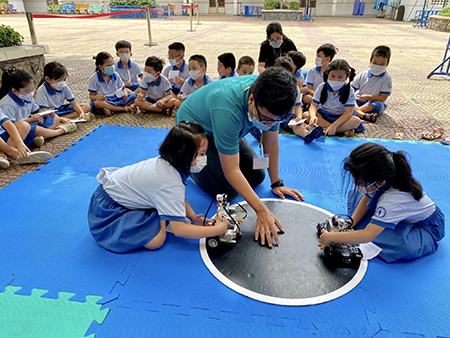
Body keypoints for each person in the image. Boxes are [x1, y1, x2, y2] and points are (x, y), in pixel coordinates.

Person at [176, 67, 304, 248]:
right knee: (225, 190)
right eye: (265, 119)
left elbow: (271, 143)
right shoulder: (228, 109)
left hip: (228, 129)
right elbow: (232, 170)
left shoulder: (271, 102)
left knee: (257, 175)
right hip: (196, 132)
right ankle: (191, 165)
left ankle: (218, 156)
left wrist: (276, 183)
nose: (269, 125)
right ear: (251, 100)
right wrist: (261, 210)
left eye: (275, 121)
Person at [88, 121, 228, 253]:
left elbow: (177, 196)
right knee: (157, 241)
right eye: (202, 154)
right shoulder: (169, 181)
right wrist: (218, 229)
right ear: (184, 155)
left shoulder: (168, 164)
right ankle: (161, 216)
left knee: (167, 209)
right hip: (109, 211)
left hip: (113, 195)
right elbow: (179, 230)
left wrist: (192, 216)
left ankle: (163, 214)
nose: (205, 158)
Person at [319, 143, 445, 263]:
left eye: (360, 181)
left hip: (426, 228)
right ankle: (370, 228)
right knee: (356, 194)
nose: (356, 184)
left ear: (378, 181)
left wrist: (331, 237)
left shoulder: (392, 200)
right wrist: (350, 223)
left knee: (401, 246)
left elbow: (368, 235)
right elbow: (367, 198)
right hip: (397, 213)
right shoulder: (383, 177)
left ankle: (408, 235)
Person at [0, 68, 77, 146]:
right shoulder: (7, 104)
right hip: (13, 133)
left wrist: (45, 114)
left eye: (32, 90)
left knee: (55, 118)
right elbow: (11, 127)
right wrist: (30, 120)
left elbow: (36, 111)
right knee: (34, 129)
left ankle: (36, 139)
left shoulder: (26, 97)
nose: (30, 94)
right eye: (27, 91)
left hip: (27, 125)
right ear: (14, 91)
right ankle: (60, 131)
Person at [295, 59, 363, 142]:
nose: (336, 80)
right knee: (306, 114)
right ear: (328, 74)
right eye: (333, 76)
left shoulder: (350, 90)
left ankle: (326, 129)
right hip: (323, 115)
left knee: (356, 121)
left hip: (340, 118)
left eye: (340, 77)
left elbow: (348, 112)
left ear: (346, 77)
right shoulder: (322, 87)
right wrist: (313, 116)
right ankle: (336, 130)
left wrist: (334, 125)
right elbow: (314, 105)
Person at [353, 45, 392, 123]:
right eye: (375, 63)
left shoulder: (386, 78)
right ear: (370, 61)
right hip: (359, 99)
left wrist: (368, 97)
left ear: (387, 64)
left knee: (377, 106)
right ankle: (361, 114)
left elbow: (383, 98)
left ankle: (354, 113)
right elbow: (351, 89)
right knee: (349, 100)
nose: (378, 66)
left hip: (373, 102)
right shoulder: (362, 75)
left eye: (382, 64)